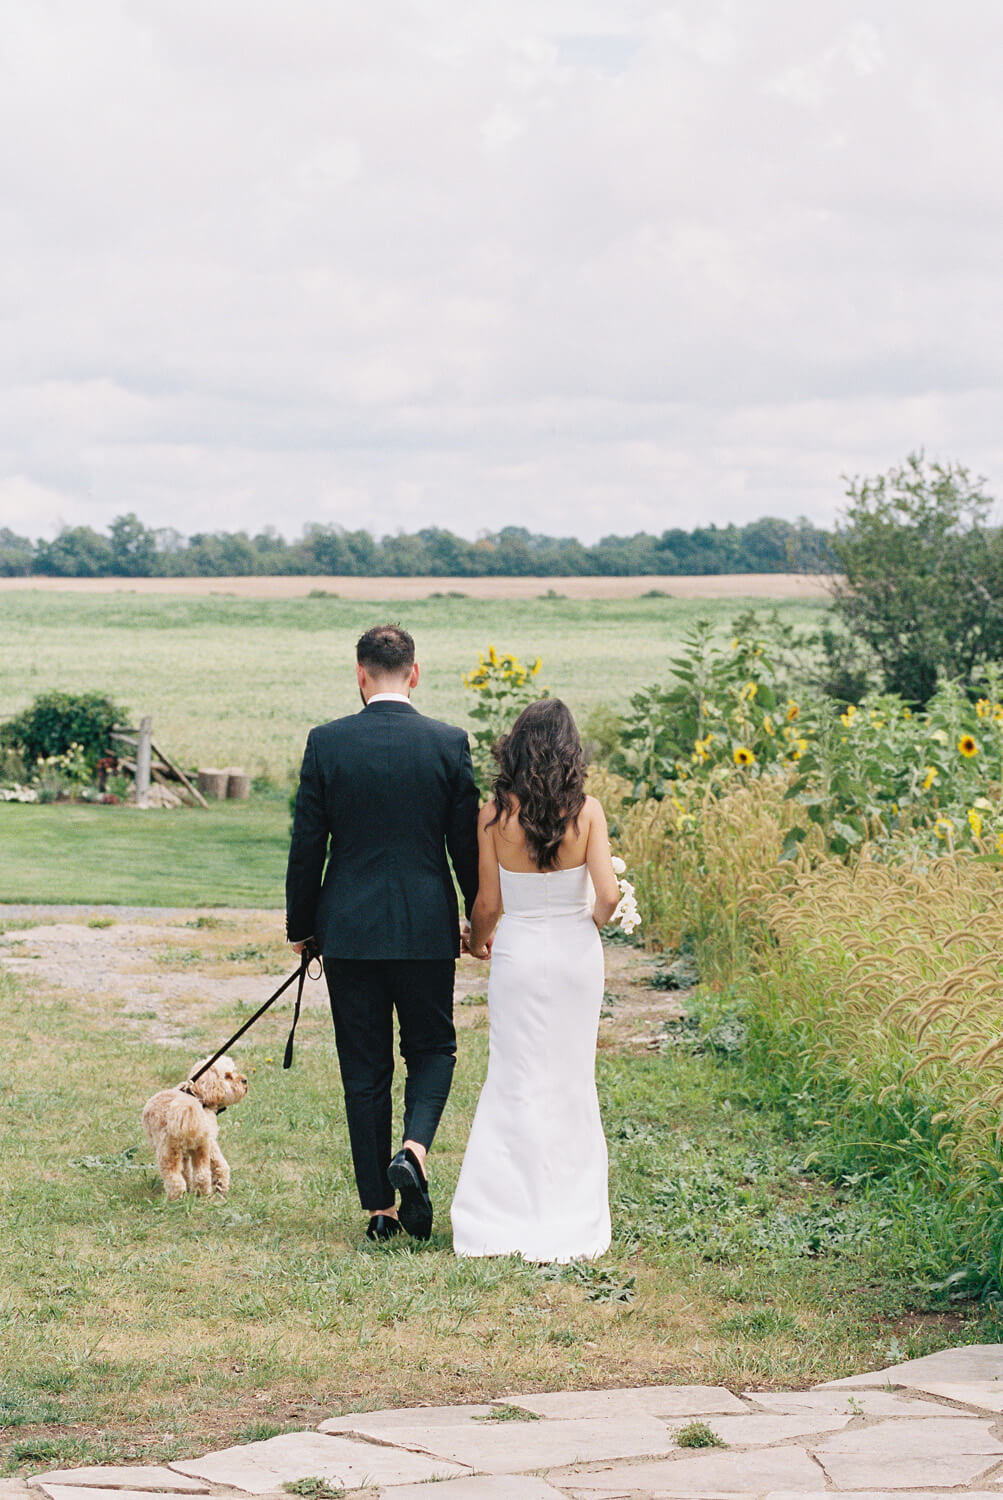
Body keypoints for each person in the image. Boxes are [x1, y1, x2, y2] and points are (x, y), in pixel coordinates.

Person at [286, 624, 480, 1243]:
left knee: (363, 1069)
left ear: (361, 676)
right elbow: (465, 847)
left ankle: (380, 1210)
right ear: (414, 673)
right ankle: (415, 1151)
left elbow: (307, 844)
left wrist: (302, 924)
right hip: (425, 927)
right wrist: (478, 915)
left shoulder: (327, 743)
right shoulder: (448, 744)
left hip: (348, 931)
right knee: (432, 1050)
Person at [451, 698, 620, 1262]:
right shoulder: (588, 811)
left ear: (515, 748)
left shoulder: (493, 815)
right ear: (571, 751)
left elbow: (488, 902)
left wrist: (477, 943)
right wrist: (584, 926)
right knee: (571, 1078)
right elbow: (610, 896)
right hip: (575, 956)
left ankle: (500, 1212)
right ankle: (570, 1211)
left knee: (515, 1076)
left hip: (519, 955)